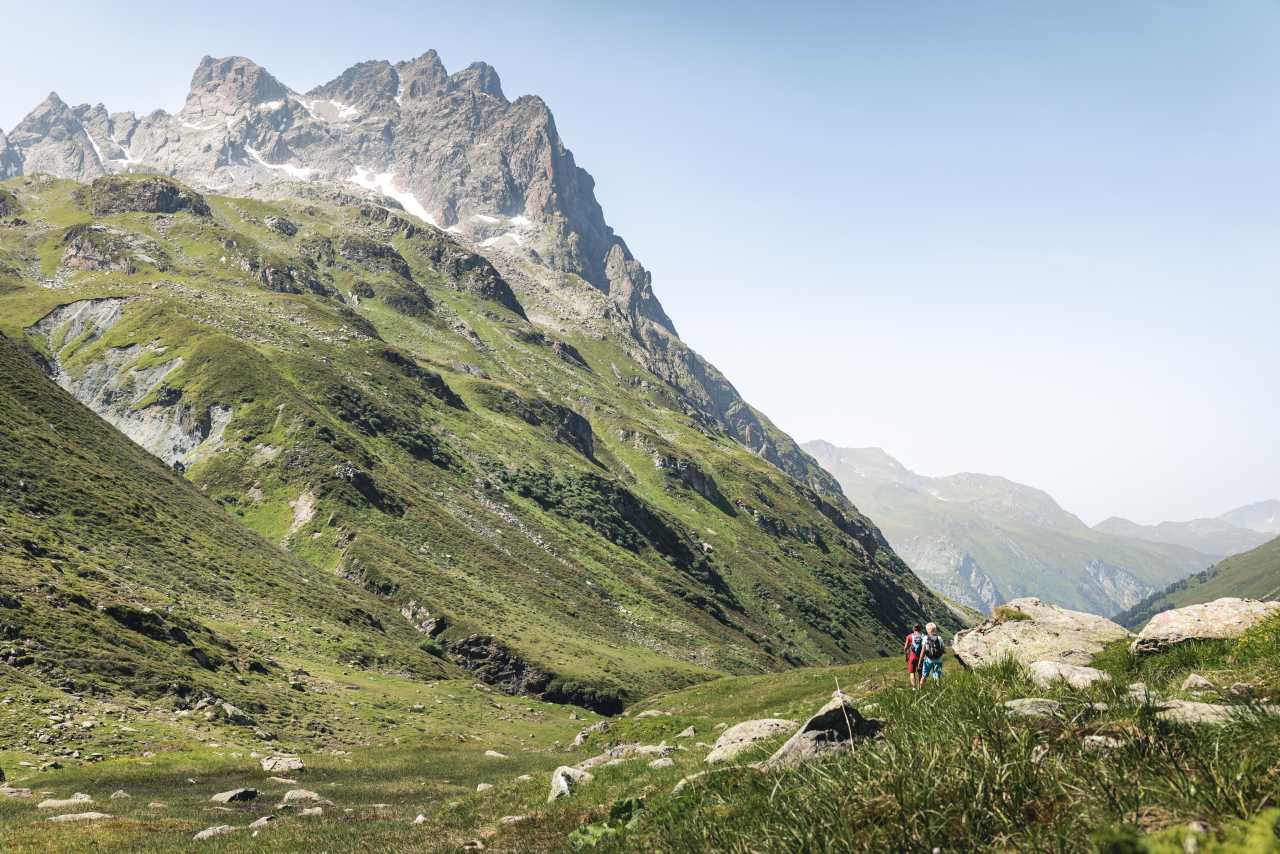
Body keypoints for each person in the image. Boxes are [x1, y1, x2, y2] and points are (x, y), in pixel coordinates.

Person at [903, 623, 924, 689]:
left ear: (913, 629)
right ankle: (920, 687)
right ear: (920, 629)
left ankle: (914, 688)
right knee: (920, 673)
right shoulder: (923, 636)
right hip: (921, 657)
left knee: (912, 672)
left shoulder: (909, 636)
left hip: (912, 656)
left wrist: (906, 656)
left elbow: (905, 648)